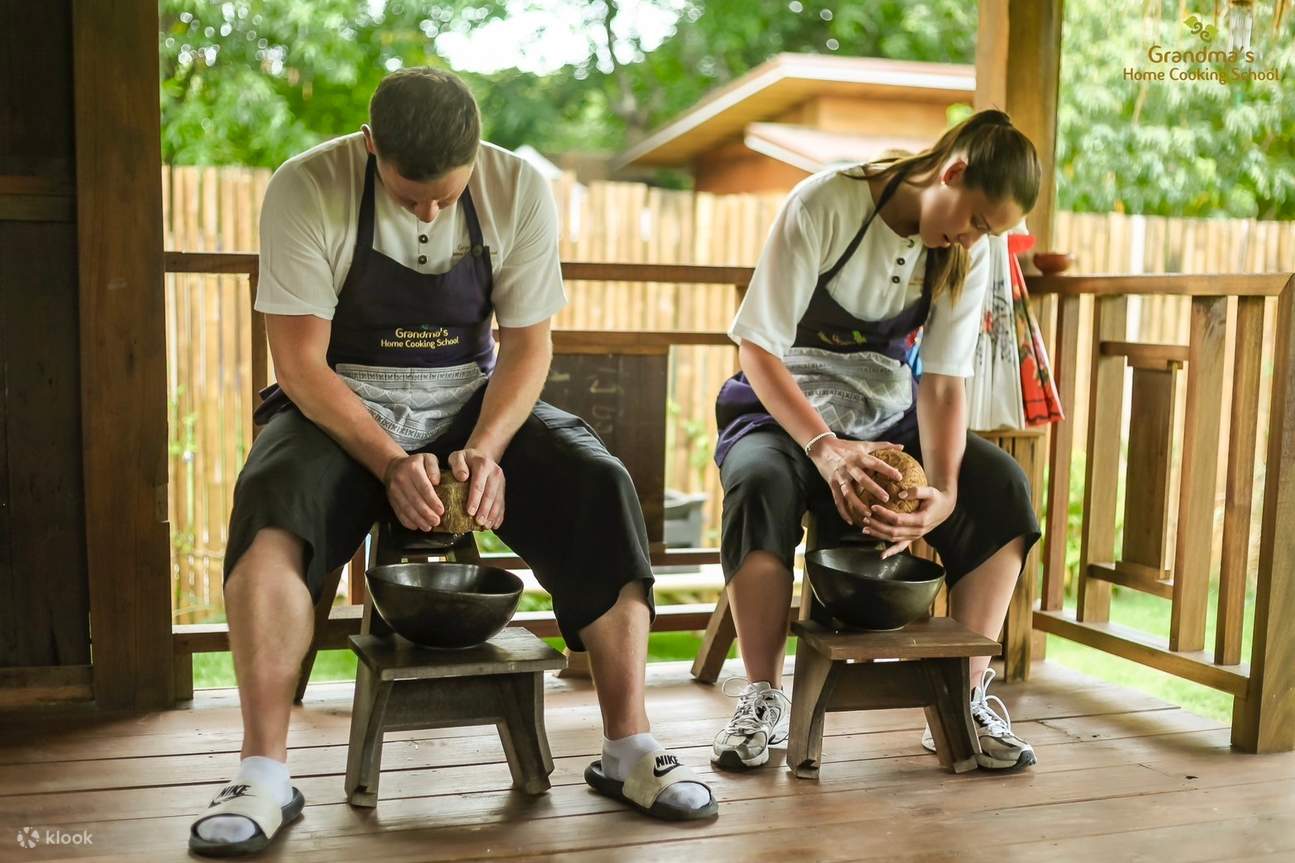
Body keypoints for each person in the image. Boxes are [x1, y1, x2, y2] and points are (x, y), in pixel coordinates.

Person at [188, 67, 716, 858]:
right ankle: (262, 769)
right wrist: (391, 457)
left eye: (446, 194)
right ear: (370, 148)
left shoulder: (517, 187)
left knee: (598, 482)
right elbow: (299, 362)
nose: (431, 209)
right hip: (339, 400)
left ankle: (628, 746)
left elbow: (529, 345)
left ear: (477, 152)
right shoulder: (307, 185)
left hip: (472, 394)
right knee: (272, 508)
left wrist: (488, 447)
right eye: (410, 195)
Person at [708, 109, 1043, 774]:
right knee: (758, 482)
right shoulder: (826, 201)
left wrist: (944, 489)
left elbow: (944, 384)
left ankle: (965, 695)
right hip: (786, 408)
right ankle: (763, 696)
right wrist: (827, 450)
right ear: (950, 173)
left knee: (999, 487)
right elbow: (757, 347)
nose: (974, 239)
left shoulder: (965, 252)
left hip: (887, 409)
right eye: (975, 220)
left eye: (989, 232)